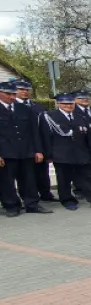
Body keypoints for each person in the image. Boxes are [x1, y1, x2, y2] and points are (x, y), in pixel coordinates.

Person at [43, 93, 91, 210]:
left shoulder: (80, 116)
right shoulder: (51, 117)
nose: (68, 106)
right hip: (62, 154)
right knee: (64, 179)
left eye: (70, 103)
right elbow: (46, 137)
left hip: (81, 153)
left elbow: (87, 137)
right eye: (65, 104)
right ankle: (67, 200)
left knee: (88, 178)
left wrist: (90, 152)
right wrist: (48, 154)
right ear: (58, 104)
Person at [0, 81, 51, 217]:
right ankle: (11, 205)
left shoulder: (24, 108)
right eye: (8, 94)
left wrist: (38, 150)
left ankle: (32, 204)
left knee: (29, 180)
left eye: (13, 94)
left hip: (26, 150)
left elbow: (34, 131)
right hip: (6, 152)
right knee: (6, 181)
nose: (12, 97)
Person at [15, 80, 56, 202]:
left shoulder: (37, 107)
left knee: (42, 172)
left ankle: (45, 193)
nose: (24, 92)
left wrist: (46, 149)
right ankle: (28, 197)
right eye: (21, 89)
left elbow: (45, 128)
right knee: (25, 175)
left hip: (40, 143)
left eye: (27, 90)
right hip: (22, 145)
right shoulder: (13, 107)